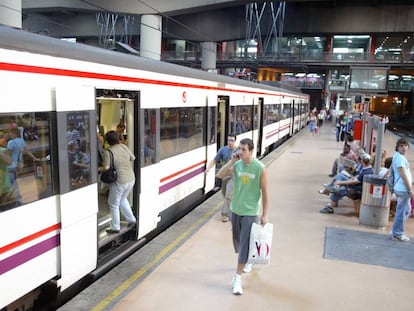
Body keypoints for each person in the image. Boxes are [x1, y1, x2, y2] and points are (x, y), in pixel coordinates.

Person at [216, 138, 269, 295]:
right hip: (235, 210)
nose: (240, 152)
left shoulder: (260, 168)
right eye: (239, 149)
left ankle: (237, 279)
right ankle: (247, 258)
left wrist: (265, 214)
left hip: (250, 212)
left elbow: (265, 193)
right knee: (238, 242)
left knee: (244, 245)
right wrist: (231, 162)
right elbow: (220, 175)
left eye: (243, 149)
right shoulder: (237, 165)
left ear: (251, 151)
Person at [103, 130, 137, 234]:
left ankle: (115, 227)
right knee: (122, 199)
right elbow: (133, 157)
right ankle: (131, 220)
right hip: (131, 178)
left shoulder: (108, 152)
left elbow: (106, 167)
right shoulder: (124, 146)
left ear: (107, 141)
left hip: (120, 180)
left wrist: (100, 168)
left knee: (113, 203)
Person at [205, 133, 237, 222]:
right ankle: (232, 209)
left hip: (233, 176)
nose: (230, 142)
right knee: (225, 194)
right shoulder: (223, 150)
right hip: (224, 176)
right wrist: (208, 168)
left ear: (235, 141)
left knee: (228, 195)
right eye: (229, 140)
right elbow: (215, 160)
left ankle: (225, 215)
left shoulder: (238, 151)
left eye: (232, 140)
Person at [7, 127, 38, 205]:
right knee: (16, 183)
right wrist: (35, 158)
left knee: (12, 184)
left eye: (10, 133)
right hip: (19, 166)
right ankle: (19, 199)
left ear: (14, 133)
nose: (9, 134)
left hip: (11, 167)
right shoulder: (22, 141)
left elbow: (8, 155)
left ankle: (16, 201)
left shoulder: (10, 142)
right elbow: (27, 152)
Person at [390, 138, 413, 242]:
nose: (404, 147)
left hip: (400, 188)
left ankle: (395, 230)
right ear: (397, 147)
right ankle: (397, 233)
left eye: (405, 145)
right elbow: (403, 174)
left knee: (406, 210)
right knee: (402, 211)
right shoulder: (400, 158)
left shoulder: (397, 156)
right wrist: (410, 189)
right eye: (401, 146)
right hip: (403, 188)